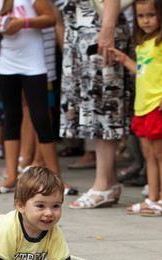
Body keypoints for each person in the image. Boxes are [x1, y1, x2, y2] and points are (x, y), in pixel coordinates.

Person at [0, 0, 76, 195]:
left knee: (40, 118)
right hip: (5, 65)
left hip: (33, 64)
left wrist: (23, 23)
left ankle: (56, 179)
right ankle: (12, 177)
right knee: (11, 118)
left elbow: (50, 19)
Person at [109, 0, 162, 216]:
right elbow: (141, 70)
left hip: (160, 106)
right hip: (142, 107)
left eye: (151, 15)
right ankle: (153, 198)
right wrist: (123, 59)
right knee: (149, 154)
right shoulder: (143, 42)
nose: (145, 20)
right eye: (141, 16)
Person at [61, 0, 134, 209]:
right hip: (82, 33)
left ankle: (102, 185)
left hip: (96, 32)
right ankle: (109, 183)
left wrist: (107, 30)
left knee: (102, 107)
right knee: (95, 107)